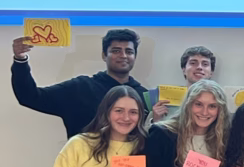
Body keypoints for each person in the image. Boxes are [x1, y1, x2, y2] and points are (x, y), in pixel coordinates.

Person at [11, 28, 149, 137]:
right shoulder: (80, 88)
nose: (123, 56)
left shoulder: (144, 96)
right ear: (104, 55)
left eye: (129, 51)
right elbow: (30, 97)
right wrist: (20, 60)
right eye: (116, 51)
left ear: (134, 57)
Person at [151, 46, 216, 122]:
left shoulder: (218, 100)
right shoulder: (163, 98)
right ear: (184, 69)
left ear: (211, 72)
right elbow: (145, 131)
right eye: (193, 63)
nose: (199, 67)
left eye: (205, 64)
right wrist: (156, 120)